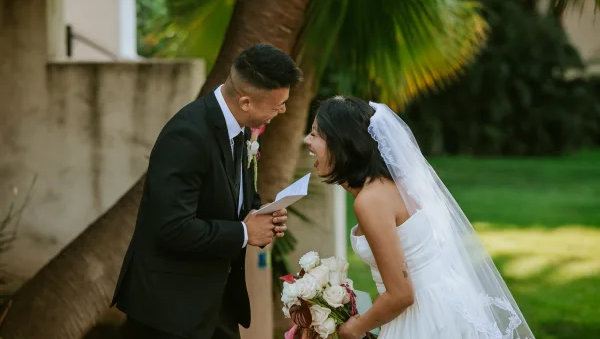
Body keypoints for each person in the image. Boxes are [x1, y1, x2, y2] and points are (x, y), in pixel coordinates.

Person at [111, 43, 303, 339]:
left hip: (216, 302)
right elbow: (172, 227)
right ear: (246, 101)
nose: (283, 110)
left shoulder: (241, 129)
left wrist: (261, 218)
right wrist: (243, 232)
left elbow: (232, 199)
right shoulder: (187, 136)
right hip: (169, 310)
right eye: (277, 104)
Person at [304, 97, 535, 339]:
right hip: (446, 307)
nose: (307, 142)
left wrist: (354, 328)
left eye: (315, 134)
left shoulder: (371, 201)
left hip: (423, 319)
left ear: (342, 142)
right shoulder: (398, 186)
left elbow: (401, 294)